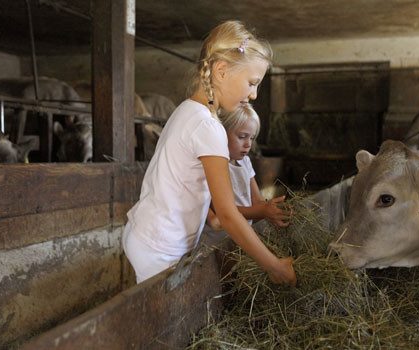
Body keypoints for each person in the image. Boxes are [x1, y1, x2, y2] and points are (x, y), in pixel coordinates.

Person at [122, 20, 297, 286]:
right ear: (221, 71)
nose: (254, 94)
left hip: (149, 235)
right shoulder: (209, 127)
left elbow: (182, 182)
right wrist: (274, 266)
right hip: (160, 246)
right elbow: (228, 213)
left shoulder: (188, 110)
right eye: (252, 82)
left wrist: (210, 218)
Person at [201, 104, 290, 244]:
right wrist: (263, 211)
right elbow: (220, 210)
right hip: (218, 240)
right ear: (222, 133)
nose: (248, 144)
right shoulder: (214, 165)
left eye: (252, 138)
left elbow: (257, 202)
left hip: (242, 236)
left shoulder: (245, 163)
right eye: (242, 137)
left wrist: (273, 209)